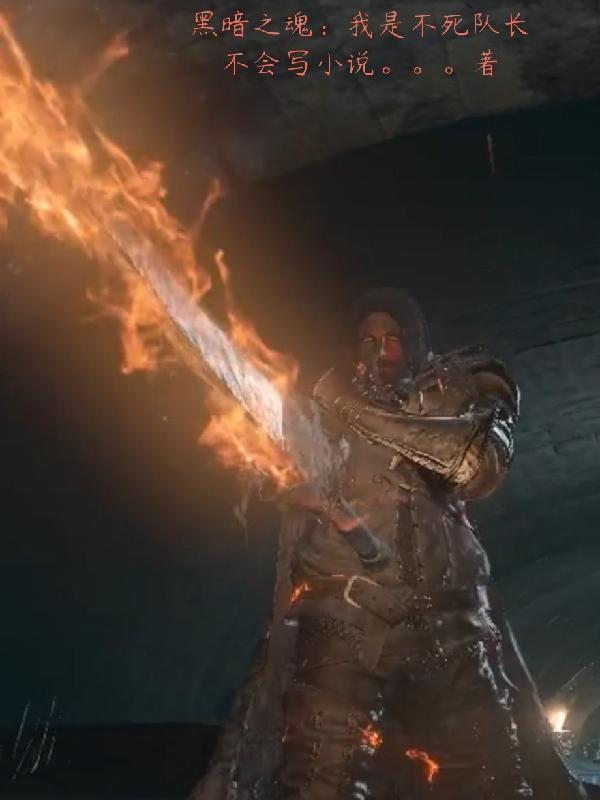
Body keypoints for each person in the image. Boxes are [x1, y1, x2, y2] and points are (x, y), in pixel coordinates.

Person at [192, 287, 587, 800]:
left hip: (448, 626)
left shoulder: (464, 386)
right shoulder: (318, 416)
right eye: (369, 340)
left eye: (393, 338)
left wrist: (350, 407)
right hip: (344, 621)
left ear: (415, 341)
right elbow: (263, 481)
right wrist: (282, 478)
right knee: (320, 780)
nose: (381, 351)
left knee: (488, 779)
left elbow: (472, 465)